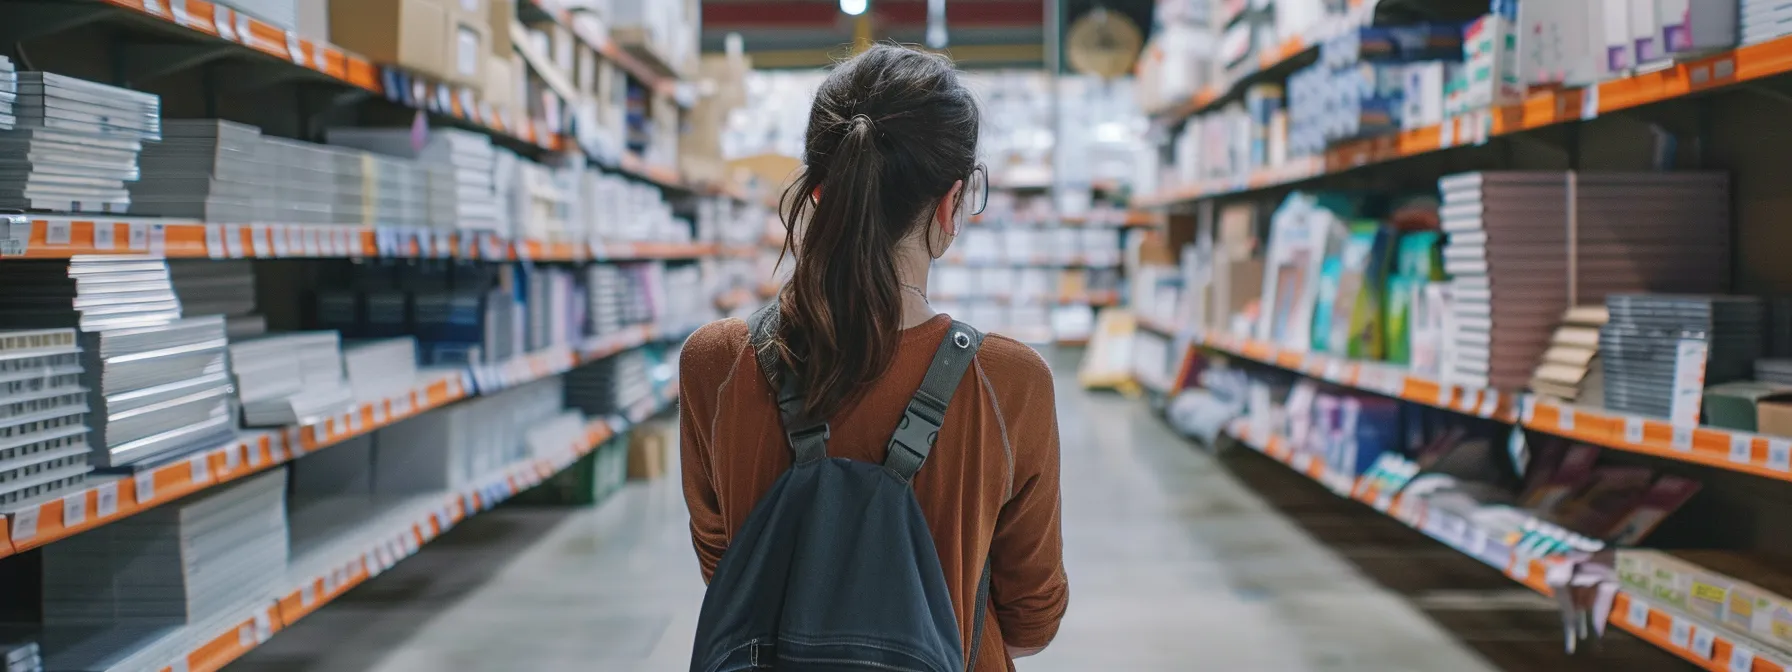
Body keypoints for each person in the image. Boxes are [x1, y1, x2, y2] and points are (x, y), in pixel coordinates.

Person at [678, 44, 1068, 670]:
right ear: (952, 204)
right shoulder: (1009, 382)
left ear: (817, 196)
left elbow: (726, 571)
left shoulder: (717, 362)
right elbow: (1031, 618)